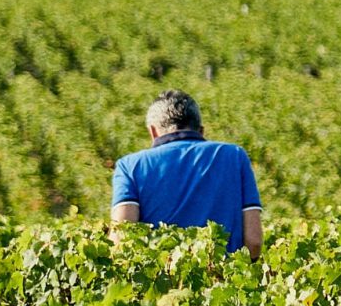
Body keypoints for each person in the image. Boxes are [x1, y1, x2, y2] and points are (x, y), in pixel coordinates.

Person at [110, 89, 264, 259]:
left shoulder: (130, 166)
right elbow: (254, 241)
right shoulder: (235, 156)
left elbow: (121, 242)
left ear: (152, 132)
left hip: (161, 281)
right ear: (201, 130)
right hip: (224, 279)